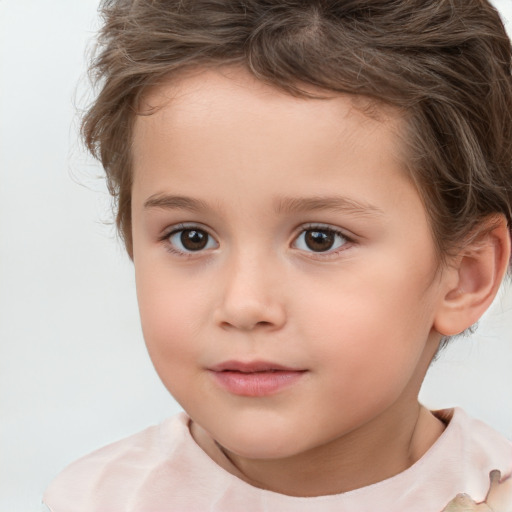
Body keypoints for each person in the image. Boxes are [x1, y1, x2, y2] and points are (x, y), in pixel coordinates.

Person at [43, 0, 512, 510]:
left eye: (320, 239)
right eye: (192, 237)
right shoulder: (96, 500)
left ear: (466, 275)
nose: (244, 305)